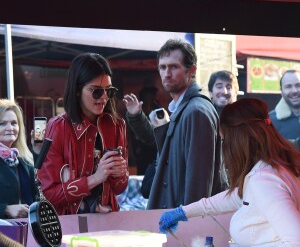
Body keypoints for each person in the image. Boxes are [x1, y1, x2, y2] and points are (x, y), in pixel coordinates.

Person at [159, 98, 300, 247]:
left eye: (224, 139)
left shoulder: (264, 181)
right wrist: (184, 212)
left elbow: (296, 244)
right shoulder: (271, 170)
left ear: (238, 139)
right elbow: (235, 198)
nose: (225, 148)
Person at [123, 39, 223, 209]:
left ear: (191, 71)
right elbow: (161, 147)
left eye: (174, 67)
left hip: (186, 221)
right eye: (163, 67)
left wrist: (186, 223)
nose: (166, 73)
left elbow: (198, 183)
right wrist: (137, 116)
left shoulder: (196, 111)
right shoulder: (184, 108)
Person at [37, 53, 129, 215]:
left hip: (109, 222)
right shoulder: (58, 127)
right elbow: (47, 194)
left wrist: (119, 173)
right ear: (77, 90)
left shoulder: (116, 125)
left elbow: (120, 188)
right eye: (96, 91)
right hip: (71, 226)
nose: (104, 98)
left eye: (109, 91)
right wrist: (95, 179)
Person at [0, 99, 36, 219]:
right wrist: (5, 209)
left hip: (27, 231)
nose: (10, 128)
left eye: (14, 123)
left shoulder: (24, 159)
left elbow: (40, 193)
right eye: (2, 123)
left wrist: (37, 152)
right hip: (4, 234)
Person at [269, 69, 300, 139]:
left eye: (298, 85)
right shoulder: (270, 121)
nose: (294, 91)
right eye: (288, 86)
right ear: (281, 92)